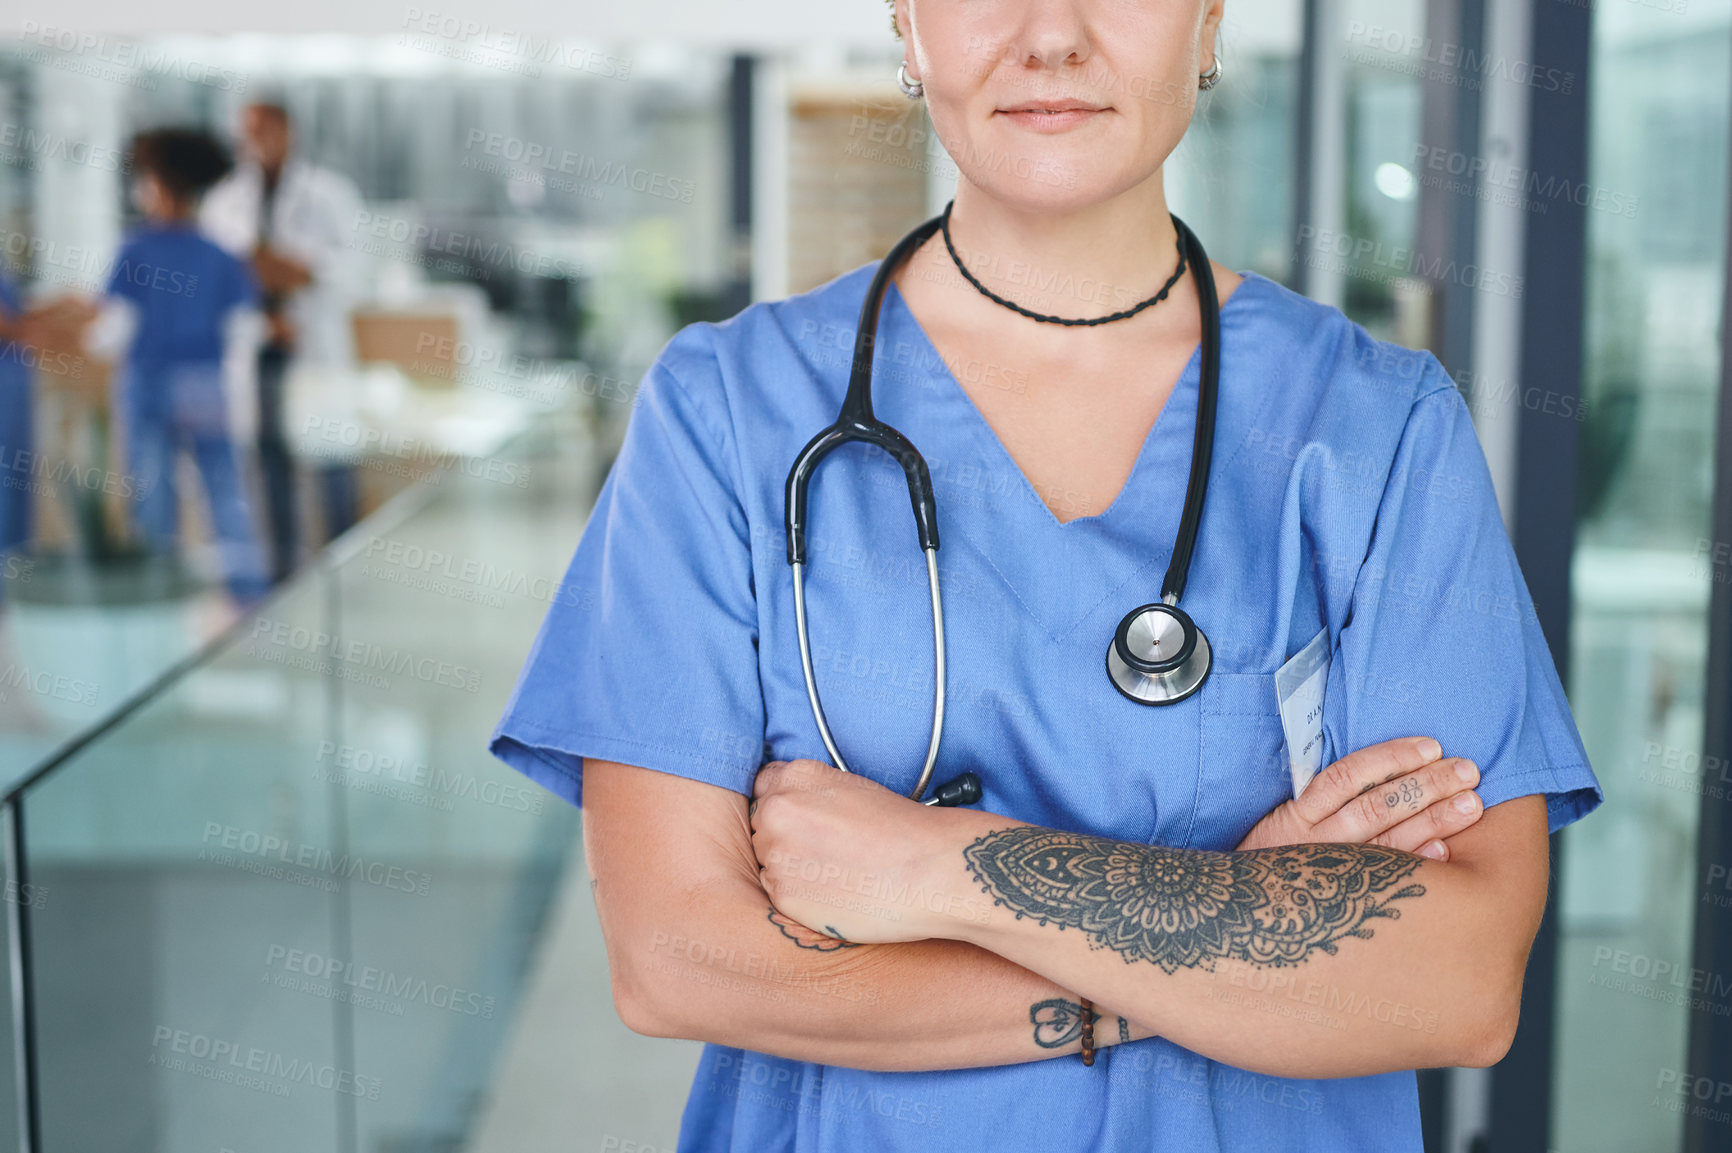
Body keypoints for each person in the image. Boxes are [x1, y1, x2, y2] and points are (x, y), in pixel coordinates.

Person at [489, 2, 1604, 1150]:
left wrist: (936, 868)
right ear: (906, 26)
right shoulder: (726, 410)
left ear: (1208, 22)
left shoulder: (1374, 425)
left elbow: (1457, 980)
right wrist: (1211, 946)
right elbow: (679, 959)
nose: (1052, 36)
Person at [88, 128, 269, 603]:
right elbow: (246, 330)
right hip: (206, 384)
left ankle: (156, 598)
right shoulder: (221, 255)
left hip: (148, 383)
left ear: (158, 182)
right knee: (226, 494)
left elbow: (112, 331)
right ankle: (248, 600)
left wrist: (79, 328)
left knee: (152, 500)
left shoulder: (136, 249)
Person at [200, 100, 364, 582]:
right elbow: (217, 285)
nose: (258, 140)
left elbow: (359, 271)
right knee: (268, 468)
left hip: (313, 345)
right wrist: (261, 308)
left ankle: (343, 574)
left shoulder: (331, 193)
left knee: (332, 467)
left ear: (289, 132)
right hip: (258, 349)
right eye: (248, 131)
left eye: (267, 129)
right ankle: (282, 579)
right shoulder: (222, 201)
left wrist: (306, 271)